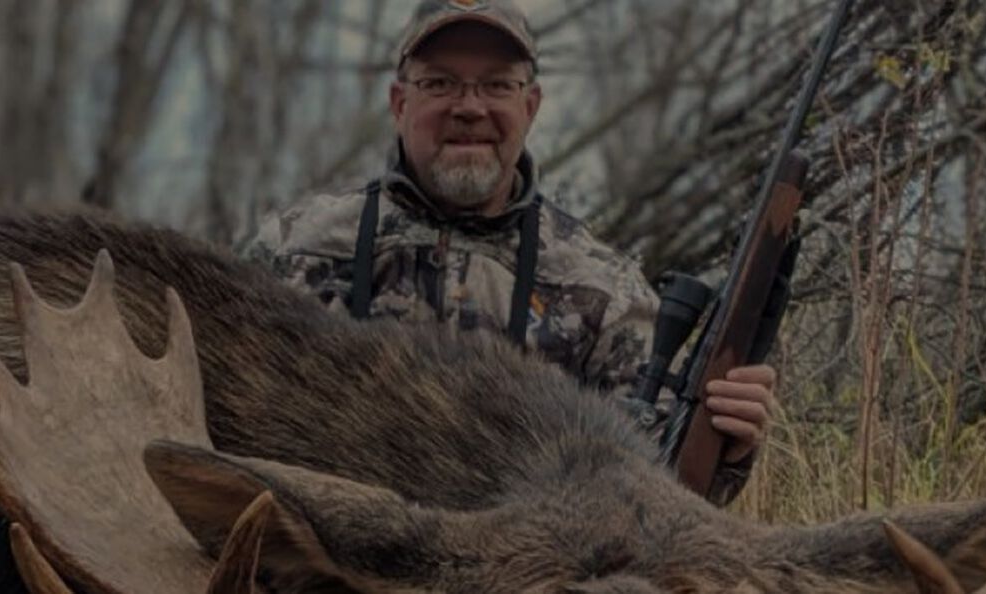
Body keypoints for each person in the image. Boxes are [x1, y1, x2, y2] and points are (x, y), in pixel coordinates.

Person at [240, 0, 773, 505]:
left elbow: (664, 500)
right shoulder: (293, 249)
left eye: (497, 85)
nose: (469, 108)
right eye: (440, 83)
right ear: (400, 103)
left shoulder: (602, 290)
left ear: (530, 105)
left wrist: (728, 444)